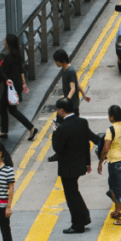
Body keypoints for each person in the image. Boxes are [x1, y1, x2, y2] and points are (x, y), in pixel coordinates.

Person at [51, 98, 93, 233]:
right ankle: (84, 216)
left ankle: (78, 224)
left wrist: (55, 131)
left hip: (67, 167)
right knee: (74, 191)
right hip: (80, 164)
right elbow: (87, 143)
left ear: (62, 111)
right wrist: (87, 162)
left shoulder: (63, 127)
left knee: (71, 195)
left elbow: (57, 147)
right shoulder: (82, 122)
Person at [0, 34, 36, 140]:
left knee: (11, 110)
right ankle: (4, 131)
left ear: (9, 44)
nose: (4, 43)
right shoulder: (18, 54)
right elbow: (21, 71)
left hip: (10, 87)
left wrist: (0, 68)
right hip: (16, 85)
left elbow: (3, 73)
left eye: (5, 41)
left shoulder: (8, 57)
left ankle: (31, 127)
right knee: (5, 107)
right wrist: (23, 84)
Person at [99, 105, 121, 226]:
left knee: (117, 190)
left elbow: (105, 148)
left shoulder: (111, 129)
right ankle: (117, 211)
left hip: (114, 162)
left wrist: (100, 162)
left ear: (112, 117)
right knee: (113, 185)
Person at [54, 49, 89, 114]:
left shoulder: (70, 71)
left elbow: (73, 89)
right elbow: (77, 84)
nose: (56, 63)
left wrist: (65, 101)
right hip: (69, 104)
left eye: (57, 61)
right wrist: (84, 95)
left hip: (72, 105)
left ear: (63, 60)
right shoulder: (64, 69)